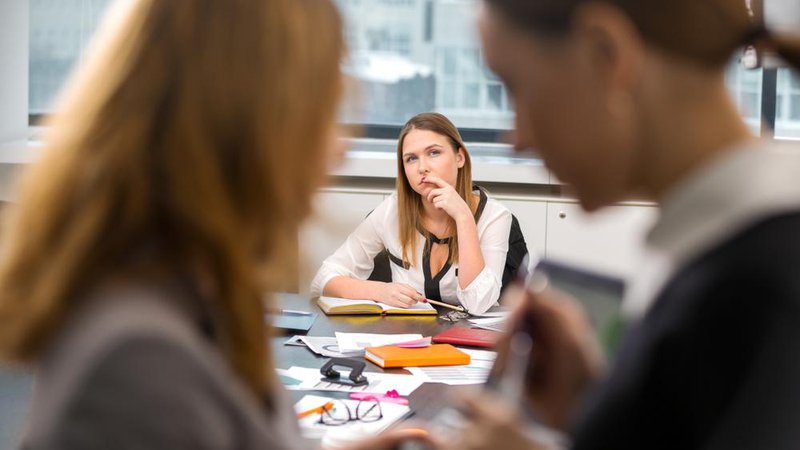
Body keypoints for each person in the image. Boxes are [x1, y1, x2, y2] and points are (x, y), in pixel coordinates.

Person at [0, 0, 428, 449]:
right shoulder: (140, 359)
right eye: (323, 114)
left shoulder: (202, 292)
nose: (339, 149)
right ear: (248, 126)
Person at [432, 0, 800, 449]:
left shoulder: (754, 289)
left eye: (517, 88)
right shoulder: (731, 254)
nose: (518, 139)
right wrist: (595, 407)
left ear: (605, 52)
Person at [310, 112, 528, 315]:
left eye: (434, 153)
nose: (422, 167)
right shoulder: (391, 211)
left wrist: (464, 218)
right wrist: (378, 291)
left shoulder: (496, 217)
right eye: (411, 159)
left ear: (459, 157)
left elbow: (478, 303)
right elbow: (323, 280)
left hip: (468, 349)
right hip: (406, 340)